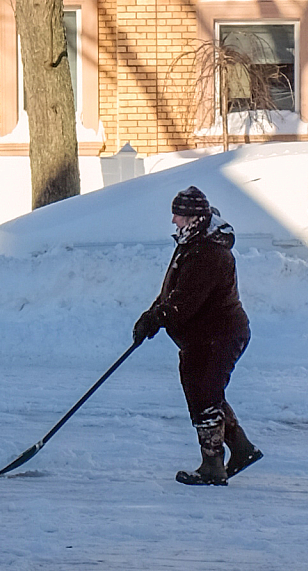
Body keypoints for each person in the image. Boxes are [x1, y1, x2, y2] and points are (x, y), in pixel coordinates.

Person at [133, 186, 262, 486]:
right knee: (206, 392)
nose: (174, 221)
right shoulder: (193, 243)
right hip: (203, 337)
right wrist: (151, 315)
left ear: (194, 217)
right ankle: (241, 449)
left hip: (219, 335)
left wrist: (156, 319)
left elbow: (185, 302)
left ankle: (213, 466)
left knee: (203, 394)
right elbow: (173, 292)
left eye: (178, 215)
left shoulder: (210, 252)